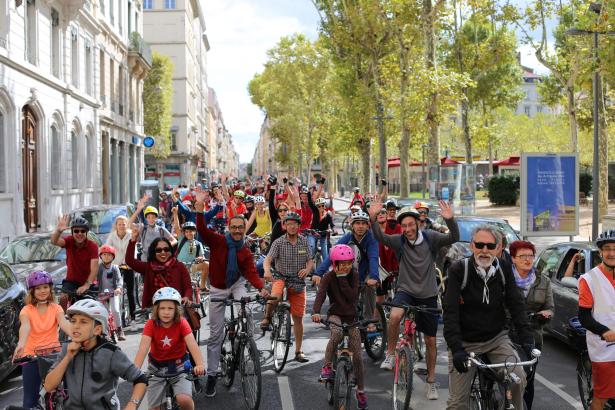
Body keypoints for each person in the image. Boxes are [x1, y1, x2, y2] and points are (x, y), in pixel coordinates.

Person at [369, 198, 459, 401]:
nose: (408, 229)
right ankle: (391, 354)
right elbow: (379, 236)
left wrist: (450, 220)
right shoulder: (399, 240)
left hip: (427, 293)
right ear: (400, 227)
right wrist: (373, 217)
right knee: (394, 316)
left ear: (418, 223)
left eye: (411, 224)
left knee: (431, 340)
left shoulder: (431, 238)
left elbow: (454, 237)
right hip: (406, 290)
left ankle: (431, 381)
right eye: (404, 226)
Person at [443, 224, 533, 410]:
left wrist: (527, 338)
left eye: (490, 246)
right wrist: (456, 348)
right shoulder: (459, 269)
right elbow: (450, 312)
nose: (484, 250)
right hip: (465, 343)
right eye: (480, 245)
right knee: (457, 404)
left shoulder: (504, 268)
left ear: (498, 249)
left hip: (496, 339)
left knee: (518, 379)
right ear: (471, 246)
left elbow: (515, 303)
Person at [193, 192, 269, 398]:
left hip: (236, 285)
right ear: (229, 228)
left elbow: (252, 274)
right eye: (233, 227)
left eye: (240, 228)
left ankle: (247, 344)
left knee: (246, 306)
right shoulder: (217, 241)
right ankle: (212, 375)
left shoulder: (244, 252)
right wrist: (199, 209)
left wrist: (261, 288)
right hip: (217, 288)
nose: (237, 231)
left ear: (244, 230)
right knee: (215, 336)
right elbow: (201, 229)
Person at [44, 299, 148, 410]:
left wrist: (132, 404)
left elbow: (140, 379)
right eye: (73, 321)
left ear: (97, 330)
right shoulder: (66, 348)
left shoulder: (110, 353)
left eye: (83, 322)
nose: (76, 326)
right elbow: (49, 386)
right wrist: (68, 357)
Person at [311, 244, 368, 409]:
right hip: (335, 314)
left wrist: (343, 278)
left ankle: (361, 391)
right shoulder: (328, 277)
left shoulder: (355, 275)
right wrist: (316, 312)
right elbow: (321, 294)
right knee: (336, 334)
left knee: (357, 355)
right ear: (334, 264)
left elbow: (352, 297)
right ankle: (327, 366)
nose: (346, 266)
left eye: (348, 263)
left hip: (351, 317)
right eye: (341, 263)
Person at [133, 287, 205, 410]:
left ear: (177, 310)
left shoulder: (182, 322)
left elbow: (192, 344)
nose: (166, 312)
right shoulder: (151, 324)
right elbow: (143, 349)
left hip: (180, 366)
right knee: (155, 408)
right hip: (156, 368)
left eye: (170, 308)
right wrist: (134, 371)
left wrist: (199, 364)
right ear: (156, 309)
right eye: (162, 308)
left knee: (185, 400)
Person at [314, 210, 380, 330]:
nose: (360, 226)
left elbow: (373, 258)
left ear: (367, 225)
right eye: (357, 223)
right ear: (352, 225)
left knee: (370, 288)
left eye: (363, 223)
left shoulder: (371, 239)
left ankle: (369, 319)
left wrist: (374, 277)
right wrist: (318, 273)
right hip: (349, 273)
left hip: (366, 273)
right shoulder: (347, 237)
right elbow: (333, 256)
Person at [14, 271, 71, 409]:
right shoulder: (26, 310)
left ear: (50, 288)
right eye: (38, 288)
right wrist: (21, 345)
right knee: (29, 401)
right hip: (31, 356)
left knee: (69, 393)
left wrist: (79, 336)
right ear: (32, 291)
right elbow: (25, 327)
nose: (42, 291)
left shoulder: (56, 308)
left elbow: (64, 324)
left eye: (45, 287)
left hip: (53, 355)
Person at [262, 211, 313, 363]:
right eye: (288, 224)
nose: (291, 227)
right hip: (280, 277)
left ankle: (298, 351)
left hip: (298, 282)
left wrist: (308, 269)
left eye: (294, 224)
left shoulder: (304, 241)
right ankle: (267, 317)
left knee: (298, 318)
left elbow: (310, 260)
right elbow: (268, 259)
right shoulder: (278, 242)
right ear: (284, 226)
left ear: (299, 226)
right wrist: (266, 271)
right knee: (275, 297)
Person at [509, 240, 554, 410]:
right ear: (513, 259)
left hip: (533, 335)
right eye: (523, 256)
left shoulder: (544, 281)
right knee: (509, 377)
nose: (528, 260)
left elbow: (550, 307)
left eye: (531, 256)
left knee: (529, 377)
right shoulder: (504, 279)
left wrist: (546, 315)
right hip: (506, 334)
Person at [577, 230, 615, 409]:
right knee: (602, 396)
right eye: (607, 248)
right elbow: (584, 317)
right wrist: (604, 331)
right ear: (600, 252)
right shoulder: (589, 279)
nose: (611, 253)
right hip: (605, 346)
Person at [125, 233, 192, 309]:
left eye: (166, 249)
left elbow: (188, 287)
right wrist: (133, 241)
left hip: (176, 309)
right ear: (154, 252)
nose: (163, 252)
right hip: (155, 311)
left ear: (171, 251)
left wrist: (186, 297)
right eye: (158, 250)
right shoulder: (149, 267)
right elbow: (129, 261)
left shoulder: (180, 266)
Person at [50, 215, 99, 311]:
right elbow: (54, 241)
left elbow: (94, 268)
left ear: (86, 232)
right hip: (71, 282)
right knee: (63, 298)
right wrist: (59, 231)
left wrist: (86, 285)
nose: (79, 233)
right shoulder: (69, 241)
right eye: (76, 231)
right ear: (72, 232)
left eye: (82, 231)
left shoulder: (92, 246)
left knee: (89, 308)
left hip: (88, 282)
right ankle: (62, 322)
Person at [105, 215, 137, 330]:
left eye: (124, 224)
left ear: (126, 225)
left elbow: (133, 250)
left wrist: (130, 263)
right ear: (116, 226)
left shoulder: (130, 235)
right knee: (115, 291)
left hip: (129, 265)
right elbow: (107, 248)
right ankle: (116, 317)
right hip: (116, 266)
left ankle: (133, 319)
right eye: (120, 224)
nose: (122, 226)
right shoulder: (112, 236)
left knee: (130, 292)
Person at [173, 209, 210, 293]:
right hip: (180, 267)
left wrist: (200, 258)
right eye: (187, 232)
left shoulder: (198, 244)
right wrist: (175, 213)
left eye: (191, 231)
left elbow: (202, 257)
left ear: (195, 232)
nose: (189, 233)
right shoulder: (181, 239)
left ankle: (203, 286)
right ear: (184, 233)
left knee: (207, 264)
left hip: (192, 267)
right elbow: (177, 227)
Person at [97, 245, 126, 341]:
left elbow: (119, 280)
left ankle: (119, 329)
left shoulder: (114, 268)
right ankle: (105, 331)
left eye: (109, 255)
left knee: (115, 310)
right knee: (103, 312)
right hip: (102, 294)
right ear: (100, 256)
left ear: (113, 257)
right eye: (104, 254)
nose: (106, 257)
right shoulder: (99, 268)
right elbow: (94, 279)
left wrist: (118, 288)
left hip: (114, 293)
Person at [307, 194, 334, 262]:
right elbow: (310, 202)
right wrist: (309, 192)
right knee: (312, 247)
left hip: (323, 236)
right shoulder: (315, 211)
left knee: (325, 254)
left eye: (322, 205)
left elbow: (332, 224)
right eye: (319, 206)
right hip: (312, 234)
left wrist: (333, 230)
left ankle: (326, 270)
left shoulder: (328, 214)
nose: (321, 207)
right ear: (316, 207)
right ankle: (310, 265)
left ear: (325, 206)